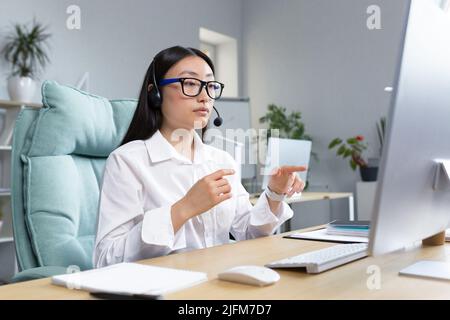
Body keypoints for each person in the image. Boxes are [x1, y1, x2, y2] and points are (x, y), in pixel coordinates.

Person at [93, 46, 306, 268]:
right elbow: (106, 259)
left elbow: (248, 233)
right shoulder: (128, 161)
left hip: (219, 283)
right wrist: (184, 209)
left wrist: (274, 194)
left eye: (210, 85)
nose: (205, 97)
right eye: (191, 83)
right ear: (155, 93)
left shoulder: (222, 161)